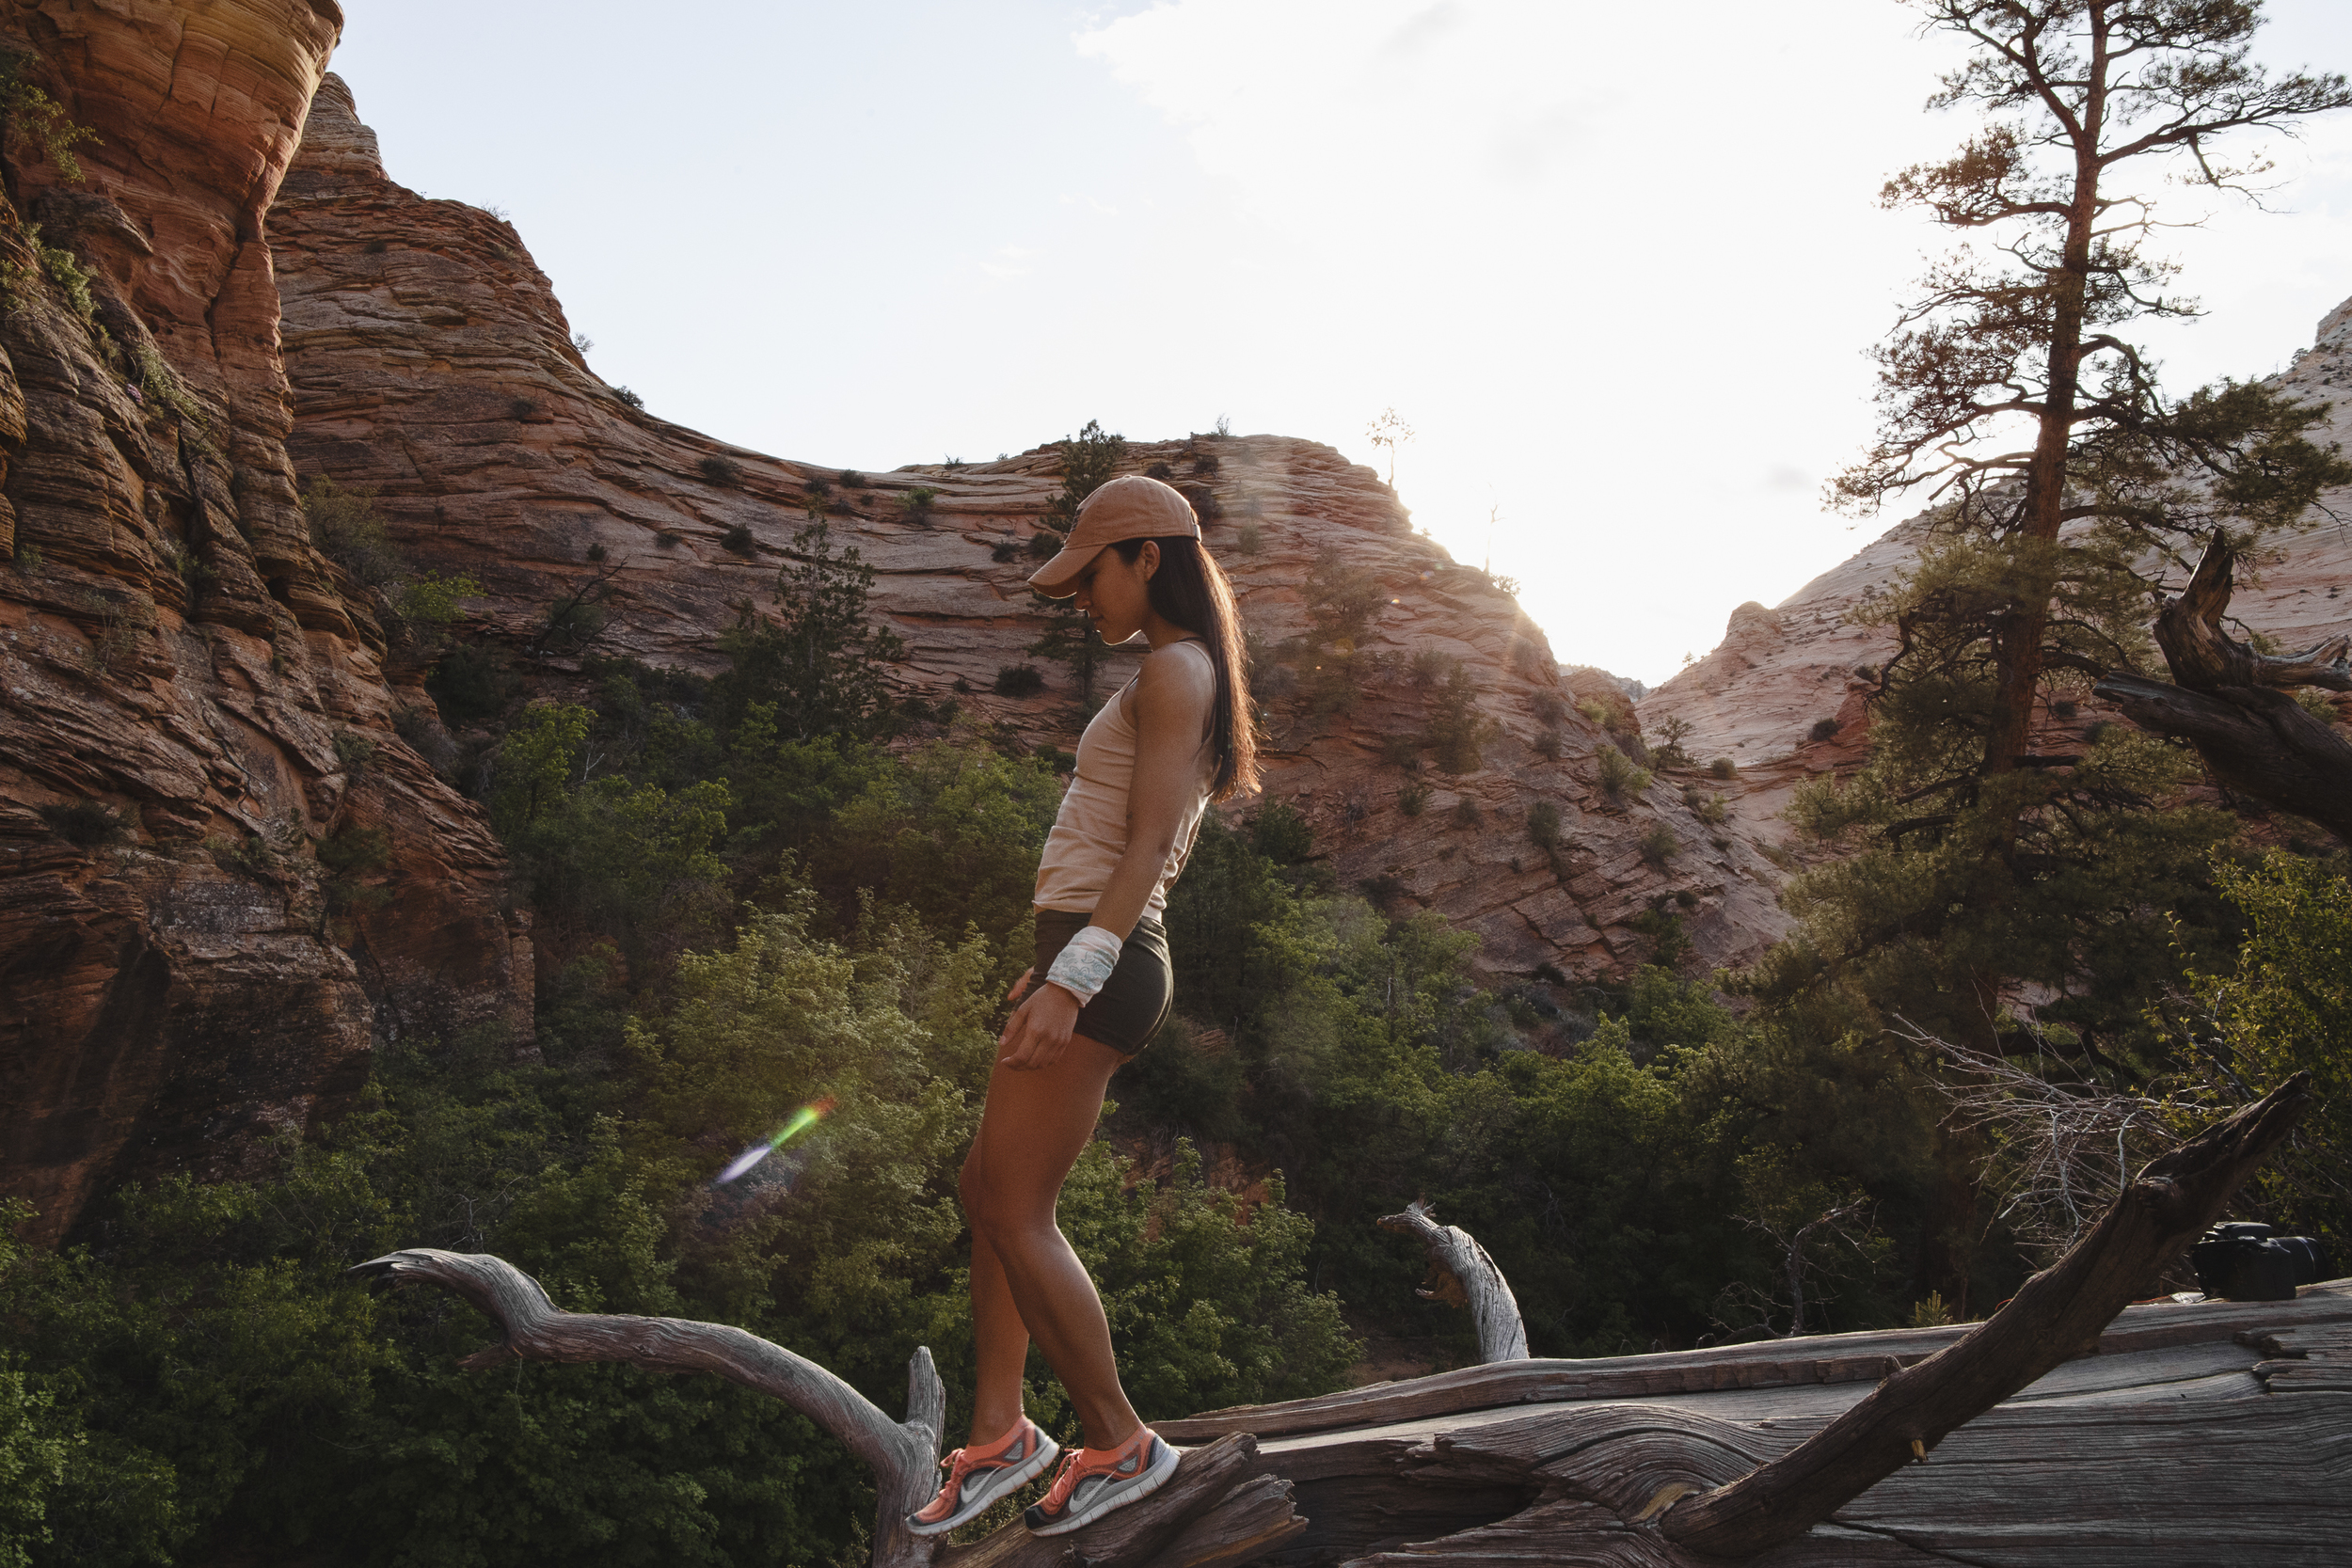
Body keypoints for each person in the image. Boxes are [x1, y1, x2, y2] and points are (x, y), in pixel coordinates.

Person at [907, 474, 1258, 1539]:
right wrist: (1053, 959)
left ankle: (1120, 1441)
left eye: (1088, 575)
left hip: (1101, 960)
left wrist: (1075, 973)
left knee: (1016, 1209)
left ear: (1147, 556)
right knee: (985, 1188)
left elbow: (1150, 846)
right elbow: (1121, 847)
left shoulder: (1176, 669)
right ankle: (1003, 1425)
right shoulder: (1175, 670)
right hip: (1082, 947)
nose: (1078, 600)